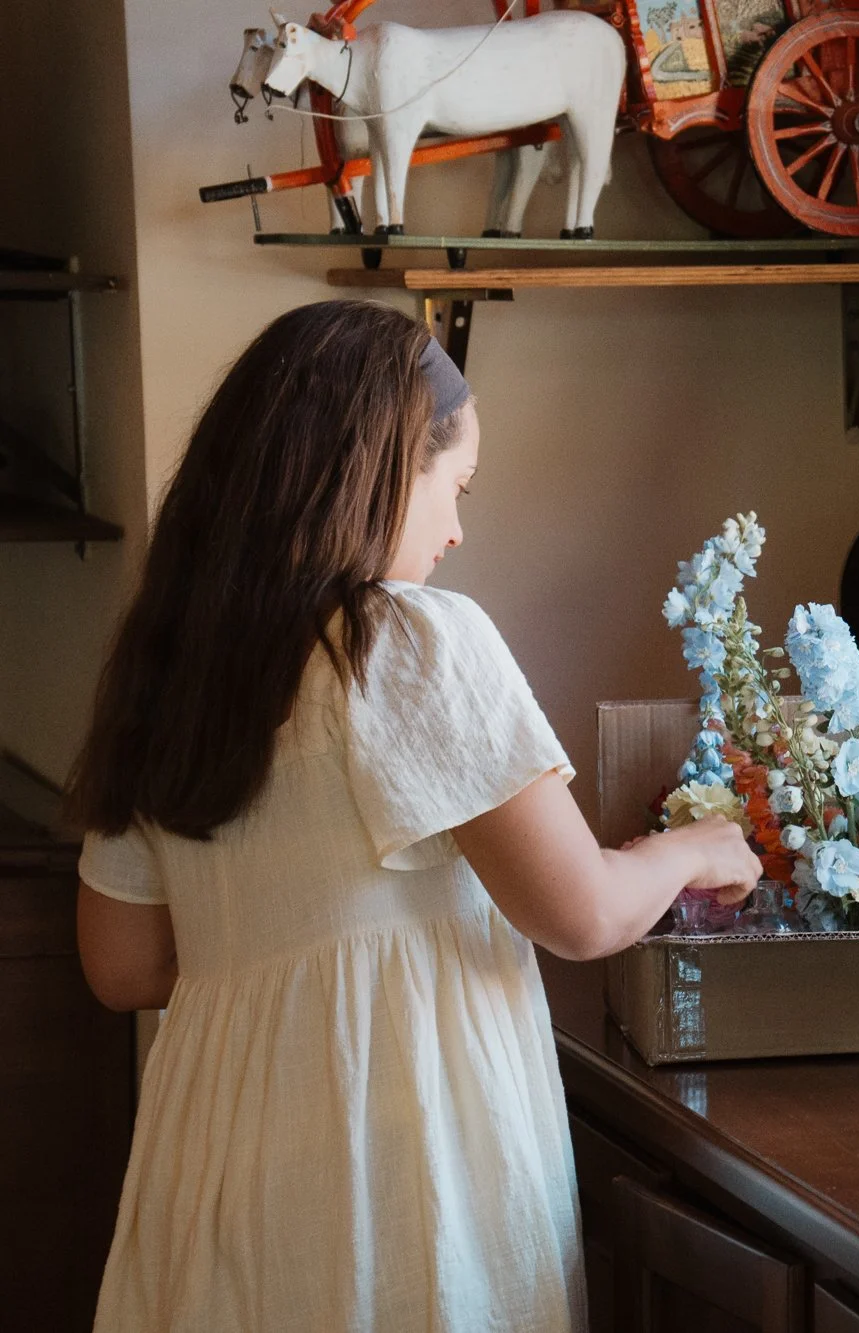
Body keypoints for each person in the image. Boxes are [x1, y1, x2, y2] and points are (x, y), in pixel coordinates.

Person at [67, 299, 759, 1331]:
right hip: (389, 1148)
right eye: (454, 486)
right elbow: (579, 914)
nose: (456, 530)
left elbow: (122, 966)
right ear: (378, 464)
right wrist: (693, 847)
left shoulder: (169, 669)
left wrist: (278, 945)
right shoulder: (402, 641)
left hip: (214, 1155)